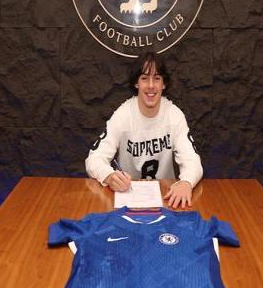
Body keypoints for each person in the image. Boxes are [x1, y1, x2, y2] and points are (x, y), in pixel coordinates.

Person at [85, 51, 203, 208]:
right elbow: (94, 159)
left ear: (164, 84)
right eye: (144, 78)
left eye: (157, 78)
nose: (151, 85)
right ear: (136, 83)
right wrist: (109, 176)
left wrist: (186, 182)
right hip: (128, 199)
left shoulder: (174, 115)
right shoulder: (123, 114)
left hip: (165, 198)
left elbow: (192, 159)